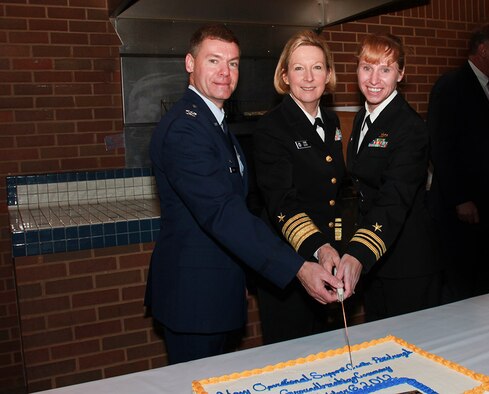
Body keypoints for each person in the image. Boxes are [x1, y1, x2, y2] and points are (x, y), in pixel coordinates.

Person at [144, 24, 343, 365]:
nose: (225, 72)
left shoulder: (214, 123)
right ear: (190, 63)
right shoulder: (185, 128)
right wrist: (297, 267)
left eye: (233, 63)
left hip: (217, 293)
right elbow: (222, 212)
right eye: (214, 61)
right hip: (195, 297)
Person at [334, 33, 443, 322]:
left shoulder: (410, 127)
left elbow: (394, 196)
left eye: (385, 69)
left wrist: (358, 252)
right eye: (367, 68)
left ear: (400, 74)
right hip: (376, 259)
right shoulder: (362, 119)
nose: (374, 79)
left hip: (407, 263)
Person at [253, 30, 345, 344]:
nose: (308, 77)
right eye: (298, 68)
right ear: (285, 76)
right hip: (290, 266)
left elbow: (337, 191)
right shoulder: (271, 127)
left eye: (317, 67)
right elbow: (282, 202)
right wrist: (320, 247)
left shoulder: (332, 122)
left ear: (328, 74)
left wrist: (342, 249)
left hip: (329, 260)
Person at [427, 23, 489, 303]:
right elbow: (441, 146)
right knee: (464, 286)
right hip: (463, 211)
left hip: (488, 207)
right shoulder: (451, 84)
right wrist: (460, 198)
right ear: (483, 50)